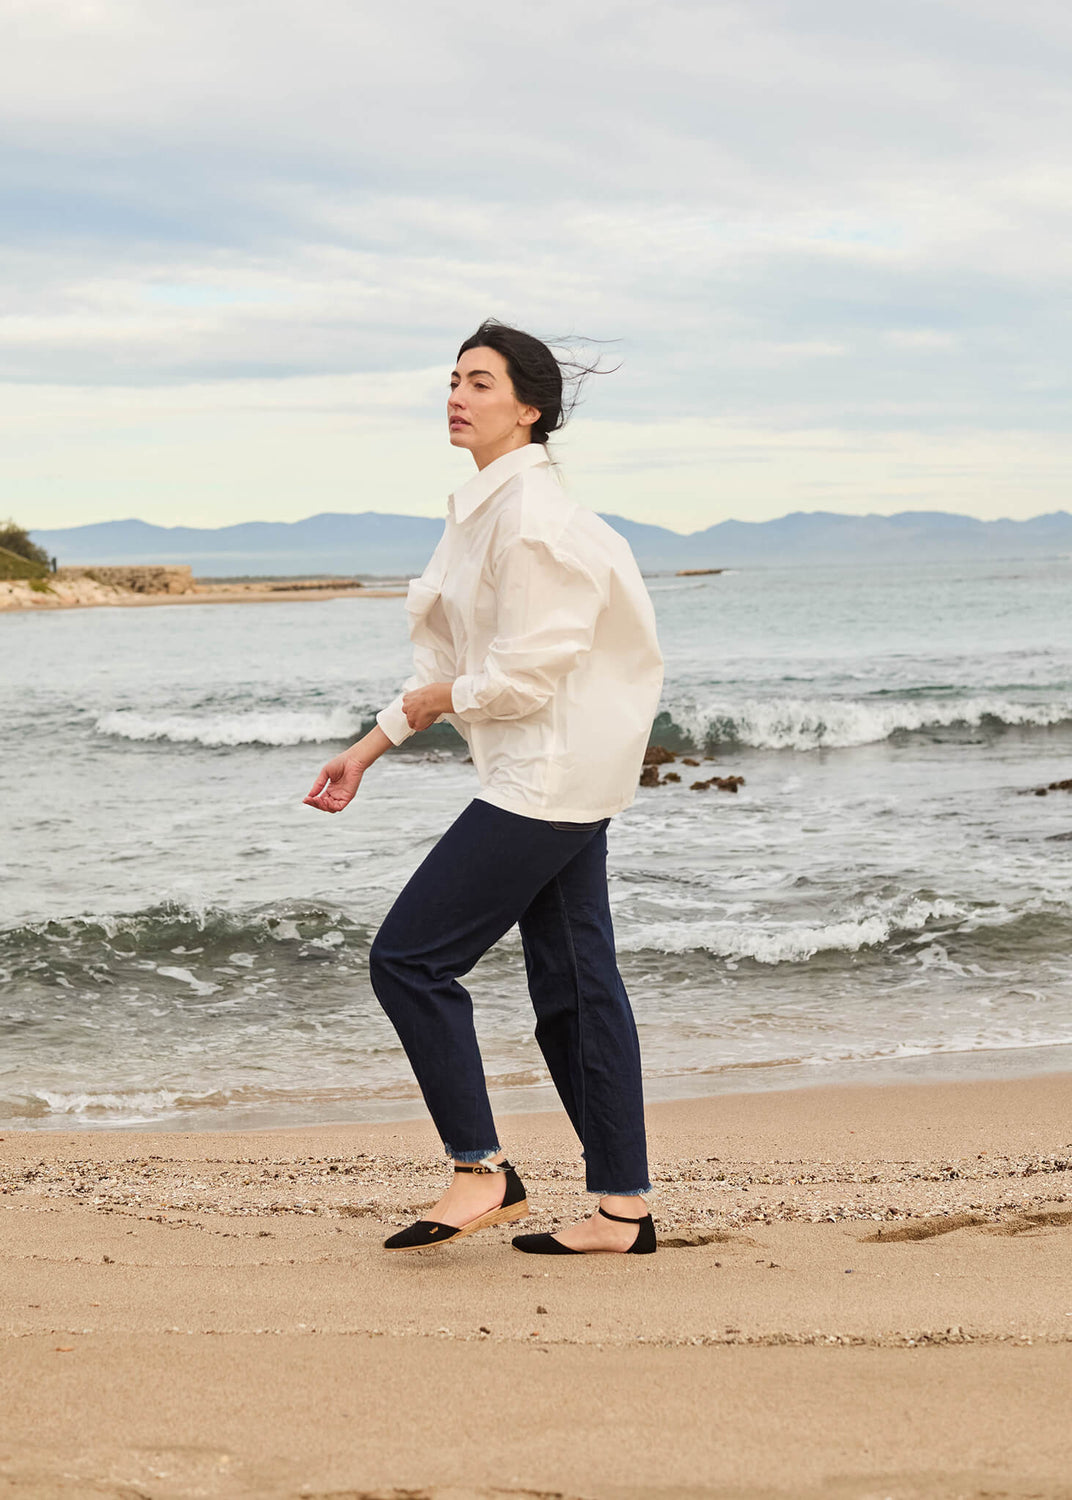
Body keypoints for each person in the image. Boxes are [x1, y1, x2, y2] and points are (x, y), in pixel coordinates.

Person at [304, 319, 664, 1255]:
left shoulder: (535, 521)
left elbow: (527, 672)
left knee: (410, 960)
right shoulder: (485, 512)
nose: (457, 395)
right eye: (454, 379)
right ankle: (622, 1210)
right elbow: (459, 662)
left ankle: (482, 1173)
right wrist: (369, 746)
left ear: (529, 408)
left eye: (481, 382)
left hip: (545, 776)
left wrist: (435, 699)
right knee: (576, 993)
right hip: (558, 771)